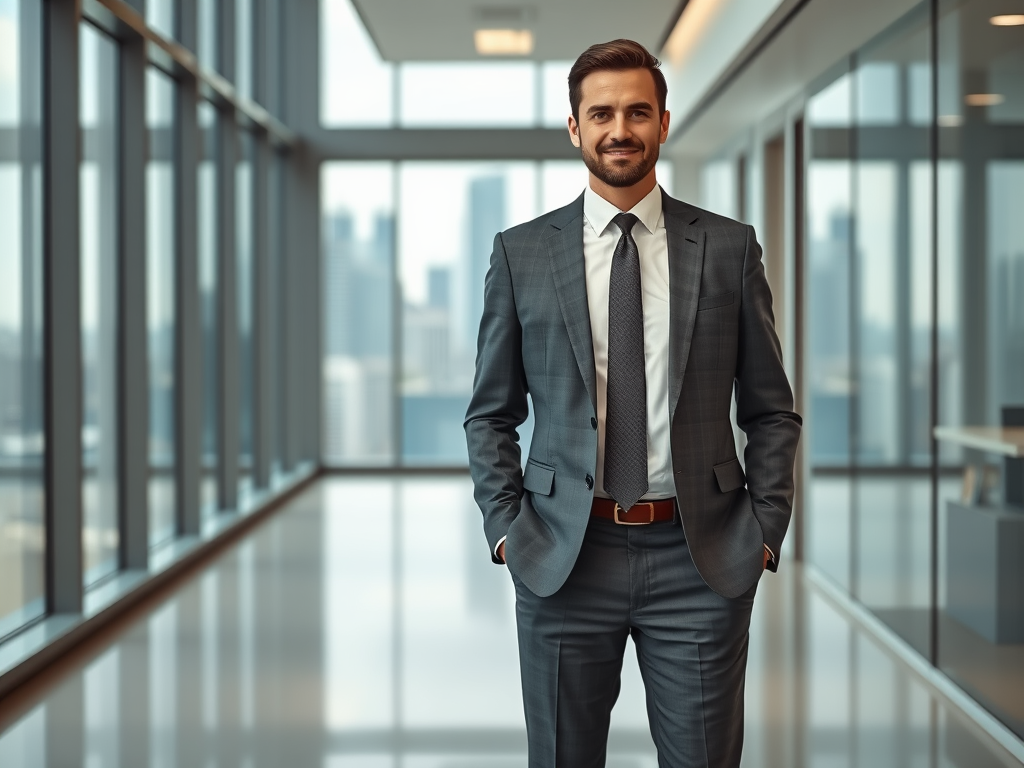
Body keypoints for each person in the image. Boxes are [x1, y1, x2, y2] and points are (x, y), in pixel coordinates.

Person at [464, 38, 801, 768]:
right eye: (603, 113)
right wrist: (506, 530)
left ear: (664, 123)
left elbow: (772, 408)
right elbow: (491, 411)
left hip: (700, 557)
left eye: (638, 112)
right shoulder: (522, 254)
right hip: (561, 554)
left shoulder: (728, 247)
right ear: (575, 127)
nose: (621, 129)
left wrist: (763, 531)